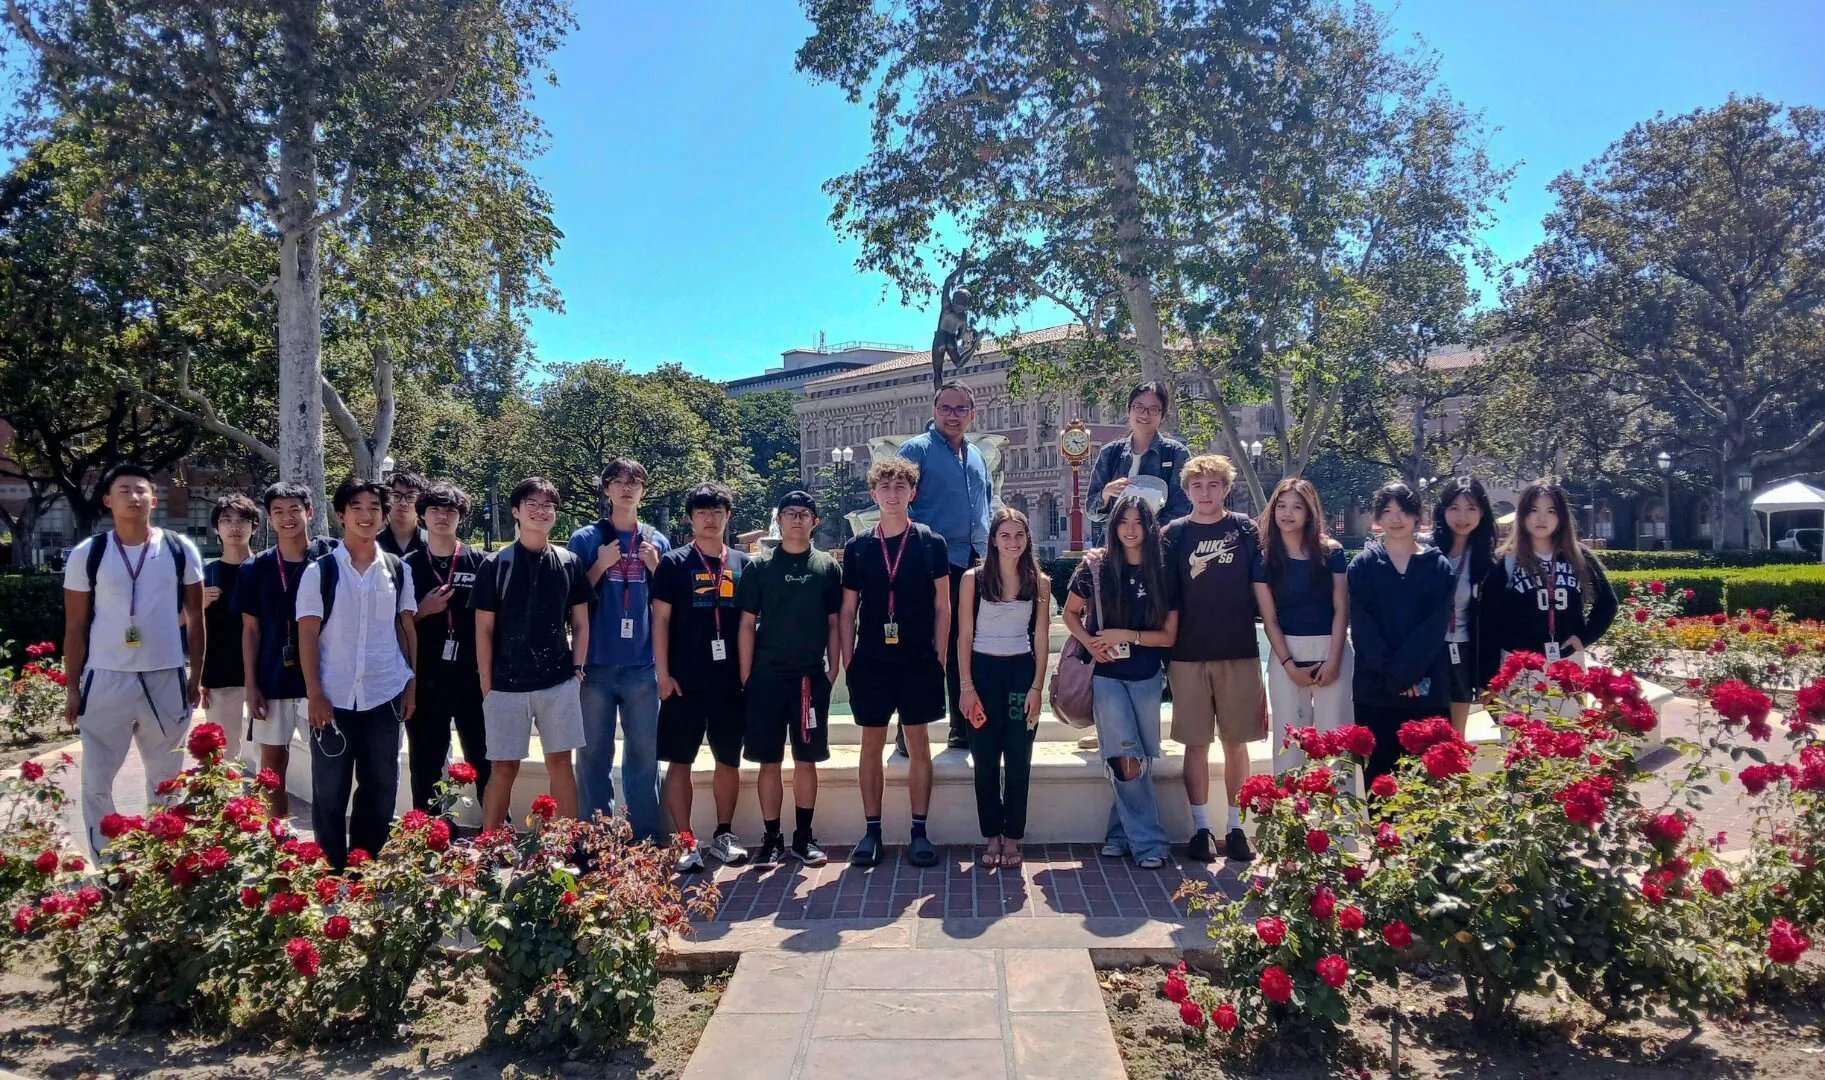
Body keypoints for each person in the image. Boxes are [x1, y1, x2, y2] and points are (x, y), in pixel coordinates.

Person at [61, 463, 205, 855]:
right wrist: (72, 688)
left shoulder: (179, 548)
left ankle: (158, 859)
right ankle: (108, 862)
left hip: (166, 676)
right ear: (107, 500)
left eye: (141, 490)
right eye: (124, 490)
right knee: (96, 779)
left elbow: (196, 618)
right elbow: (75, 627)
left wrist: (195, 676)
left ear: (154, 500)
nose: (134, 497)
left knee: (166, 778)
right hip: (106, 678)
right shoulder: (87, 554)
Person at [295, 477, 418, 871]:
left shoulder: (397, 570)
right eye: (357, 508)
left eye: (374, 508)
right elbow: (308, 635)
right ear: (341, 515)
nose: (366, 516)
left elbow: (405, 630)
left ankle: (366, 863)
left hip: (384, 693)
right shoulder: (320, 572)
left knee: (381, 787)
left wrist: (411, 684)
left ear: (384, 516)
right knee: (330, 790)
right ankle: (330, 868)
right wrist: (314, 692)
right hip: (332, 697)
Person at [840, 457, 951, 868]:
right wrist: (848, 659)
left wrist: (939, 654)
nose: (892, 494)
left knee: (918, 743)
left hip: (918, 658)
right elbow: (847, 609)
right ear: (873, 495)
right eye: (884, 488)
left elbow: (944, 605)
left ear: (912, 493)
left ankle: (919, 831)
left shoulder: (929, 542)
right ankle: (872, 831)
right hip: (871, 660)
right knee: (871, 746)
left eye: (900, 487)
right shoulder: (858, 547)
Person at [1064, 491, 1178, 871]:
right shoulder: (1096, 567)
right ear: (1112, 526)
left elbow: (1169, 636)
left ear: (1149, 527)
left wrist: (1125, 635)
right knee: (1127, 757)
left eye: (1137, 522)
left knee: (1137, 758)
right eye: (1122, 522)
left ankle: (1119, 834)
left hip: (1146, 675)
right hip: (1107, 677)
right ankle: (1150, 844)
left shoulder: (1162, 569)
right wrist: (1091, 644)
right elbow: (1070, 614)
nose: (1130, 530)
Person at [473, 477, 594, 832]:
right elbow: (483, 630)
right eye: (532, 505)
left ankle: (566, 843)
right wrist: (486, 684)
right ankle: (489, 844)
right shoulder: (496, 565)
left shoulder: (569, 562)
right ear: (516, 511)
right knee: (503, 767)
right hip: (505, 685)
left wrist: (577, 669)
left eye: (548, 506)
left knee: (561, 763)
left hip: (557, 681)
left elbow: (581, 623)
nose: (541, 512)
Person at [1161, 454, 1264, 863]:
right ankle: (1201, 827)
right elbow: (1163, 592)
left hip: (1238, 650)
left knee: (1236, 742)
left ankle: (1236, 826)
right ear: (1186, 491)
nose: (1206, 493)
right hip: (1188, 653)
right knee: (1196, 743)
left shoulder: (1244, 530)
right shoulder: (1173, 534)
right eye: (1197, 486)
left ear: (1226, 488)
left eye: (1214, 485)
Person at [737, 491, 844, 868]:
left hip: (808, 680)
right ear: (778, 520)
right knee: (768, 761)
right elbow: (747, 623)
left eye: (804, 514)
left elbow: (835, 622)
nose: (797, 519)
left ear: (814, 521)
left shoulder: (827, 567)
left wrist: (833, 668)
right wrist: (746, 673)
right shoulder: (760, 566)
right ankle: (770, 838)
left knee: (806, 760)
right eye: (789, 514)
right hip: (766, 678)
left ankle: (802, 836)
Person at [568, 458, 670, 840]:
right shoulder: (584, 539)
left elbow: (667, 605)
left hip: (642, 666)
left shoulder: (656, 541)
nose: (626, 488)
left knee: (644, 757)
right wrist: (598, 566)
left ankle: (645, 837)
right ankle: (596, 838)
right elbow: (571, 598)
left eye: (634, 482)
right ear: (606, 489)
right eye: (618, 481)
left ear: (644, 490)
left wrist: (656, 567)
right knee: (593, 756)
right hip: (595, 667)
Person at [651, 483, 750, 871]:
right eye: (703, 512)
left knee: (729, 760)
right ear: (691, 518)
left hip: (729, 682)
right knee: (680, 761)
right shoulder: (674, 564)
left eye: (718, 512)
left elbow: (749, 622)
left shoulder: (743, 562)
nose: (710, 519)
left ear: (728, 516)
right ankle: (685, 840)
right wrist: (662, 673)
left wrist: (746, 675)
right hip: (683, 680)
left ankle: (724, 835)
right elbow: (659, 621)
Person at [897, 380, 992, 751]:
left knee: (967, 645)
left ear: (973, 413)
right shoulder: (915, 450)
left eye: (960, 409)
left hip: (975, 564)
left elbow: (985, 506)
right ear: (934, 411)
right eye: (946, 409)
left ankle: (962, 727)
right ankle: (907, 731)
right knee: (926, 645)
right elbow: (897, 501)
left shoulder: (977, 455)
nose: (953, 416)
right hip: (931, 563)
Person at [236, 482, 336, 819]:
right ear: (268, 519)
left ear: (309, 512)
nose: (287, 517)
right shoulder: (255, 568)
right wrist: (251, 686)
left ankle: (327, 839)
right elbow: (250, 631)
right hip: (273, 679)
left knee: (329, 763)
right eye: (278, 511)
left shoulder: (330, 556)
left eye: (294, 509)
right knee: (272, 763)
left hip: (322, 682)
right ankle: (276, 841)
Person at [957, 507, 1050, 869]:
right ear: (993, 539)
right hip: (982, 672)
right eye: (1005, 535)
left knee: (1018, 758)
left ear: (1028, 540)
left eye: (1020, 535)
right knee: (984, 758)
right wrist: (966, 686)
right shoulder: (973, 579)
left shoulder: (1039, 581)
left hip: (1019, 673)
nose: (1013, 542)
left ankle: (1012, 838)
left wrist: (1037, 688)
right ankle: (991, 836)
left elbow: (1041, 637)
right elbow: (964, 634)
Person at [1347, 482, 1454, 782]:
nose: (1396, 518)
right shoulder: (1363, 566)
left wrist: (1409, 676)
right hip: (1376, 693)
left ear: (1417, 516)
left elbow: (1434, 629)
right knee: (1381, 779)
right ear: (1378, 518)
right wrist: (1397, 678)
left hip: (1427, 691)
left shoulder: (1438, 567)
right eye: (1387, 511)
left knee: (1427, 783)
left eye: (1403, 510)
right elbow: (1363, 630)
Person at [1253, 478, 1353, 774]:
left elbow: (1341, 609)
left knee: (1334, 741)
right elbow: (1269, 619)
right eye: (1281, 506)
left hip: (1331, 648)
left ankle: (1339, 818)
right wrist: (1289, 665)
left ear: (1309, 512)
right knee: (1289, 742)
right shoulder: (1264, 557)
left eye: (1297, 507)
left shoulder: (1331, 552)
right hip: (1288, 653)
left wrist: (1334, 661)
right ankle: (1289, 815)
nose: (1287, 513)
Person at [403, 481, 490, 813]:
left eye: (451, 511)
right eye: (435, 510)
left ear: (460, 518)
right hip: (425, 679)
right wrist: (422, 611)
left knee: (484, 758)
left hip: (472, 678)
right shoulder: (407, 566)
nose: (442, 517)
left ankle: (496, 834)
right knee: (425, 764)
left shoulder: (480, 562)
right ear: (422, 516)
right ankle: (428, 836)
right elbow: (396, 625)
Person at [1484, 479, 1619, 672]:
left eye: (1551, 511)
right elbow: (1490, 619)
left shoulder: (1579, 556)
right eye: (1534, 510)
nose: (1542, 519)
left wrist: (1584, 637)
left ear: (1561, 516)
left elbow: (1607, 603)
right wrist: (1491, 672)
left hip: (1568, 662)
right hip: (1520, 666)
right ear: (1522, 514)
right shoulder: (1506, 560)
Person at [1084, 381, 1193, 542]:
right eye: (1138, 407)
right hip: (1114, 550)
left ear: (1162, 415)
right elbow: (1092, 512)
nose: (1145, 414)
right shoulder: (1110, 453)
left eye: (1153, 409)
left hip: (1159, 552)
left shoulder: (1176, 453)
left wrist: (1145, 537)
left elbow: (1181, 510)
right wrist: (1105, 494)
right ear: (1128, 411)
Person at [1433, 477, 1499, 735]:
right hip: (1429, 652)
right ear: (1443, 511)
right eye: (1455, 508)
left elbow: (1492, 625)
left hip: (1463, 652)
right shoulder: (1426, 553)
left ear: (1482, 512)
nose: (1463, 516)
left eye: (1471, 508)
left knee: (1455, 736)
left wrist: (1488, 677)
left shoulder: (1487, 563)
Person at [202, 492, 260, 766]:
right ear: (216, 528)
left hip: (265, 675)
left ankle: (267, 809)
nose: (235, 527)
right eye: (226, 520)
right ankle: (228, 808)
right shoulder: (204, 574)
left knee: (268, 753)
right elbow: (177, 623)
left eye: (243, 520)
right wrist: (197, 605)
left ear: (255, 527)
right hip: (220, 676)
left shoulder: (267, 569)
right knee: (222, 755)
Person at [379, 470, 429, 558]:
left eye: (410, 497)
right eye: (396, 496)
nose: (403, 502)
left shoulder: (432, 543)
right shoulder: (373, 544)